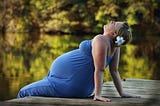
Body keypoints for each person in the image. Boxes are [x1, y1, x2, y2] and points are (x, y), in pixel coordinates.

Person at [17, 21, 140, 102]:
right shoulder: (115, 47)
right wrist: (122, 93)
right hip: (69, 83)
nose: (111, 22)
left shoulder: (101, 39)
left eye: (114, 23)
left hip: (66, 84)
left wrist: (97, 94)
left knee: (23, 93)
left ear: (113, 34)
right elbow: (114, 71)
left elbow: (100, 69)